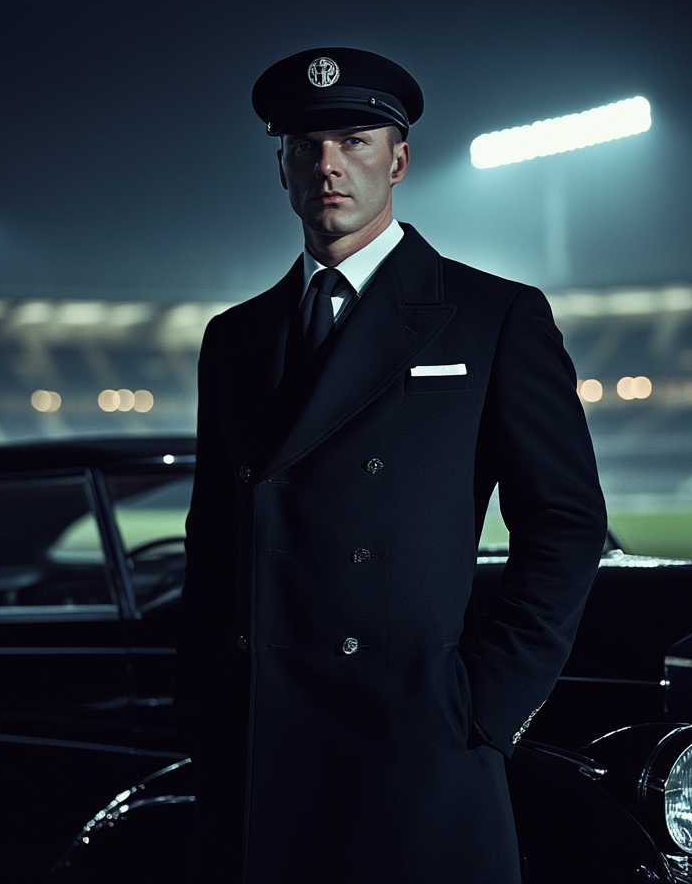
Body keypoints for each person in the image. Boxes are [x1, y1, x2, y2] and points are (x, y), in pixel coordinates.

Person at [177, 47, 607, 884]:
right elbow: (213, 537)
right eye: (305, 146)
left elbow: (565, 519)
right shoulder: (234, 337)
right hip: (261, 748)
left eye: (354, 140)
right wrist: (205, 703)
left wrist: (486, 706)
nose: (327, 165)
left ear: (399, 160)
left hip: (415, 744)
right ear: (281, 168)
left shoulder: (493, 315)